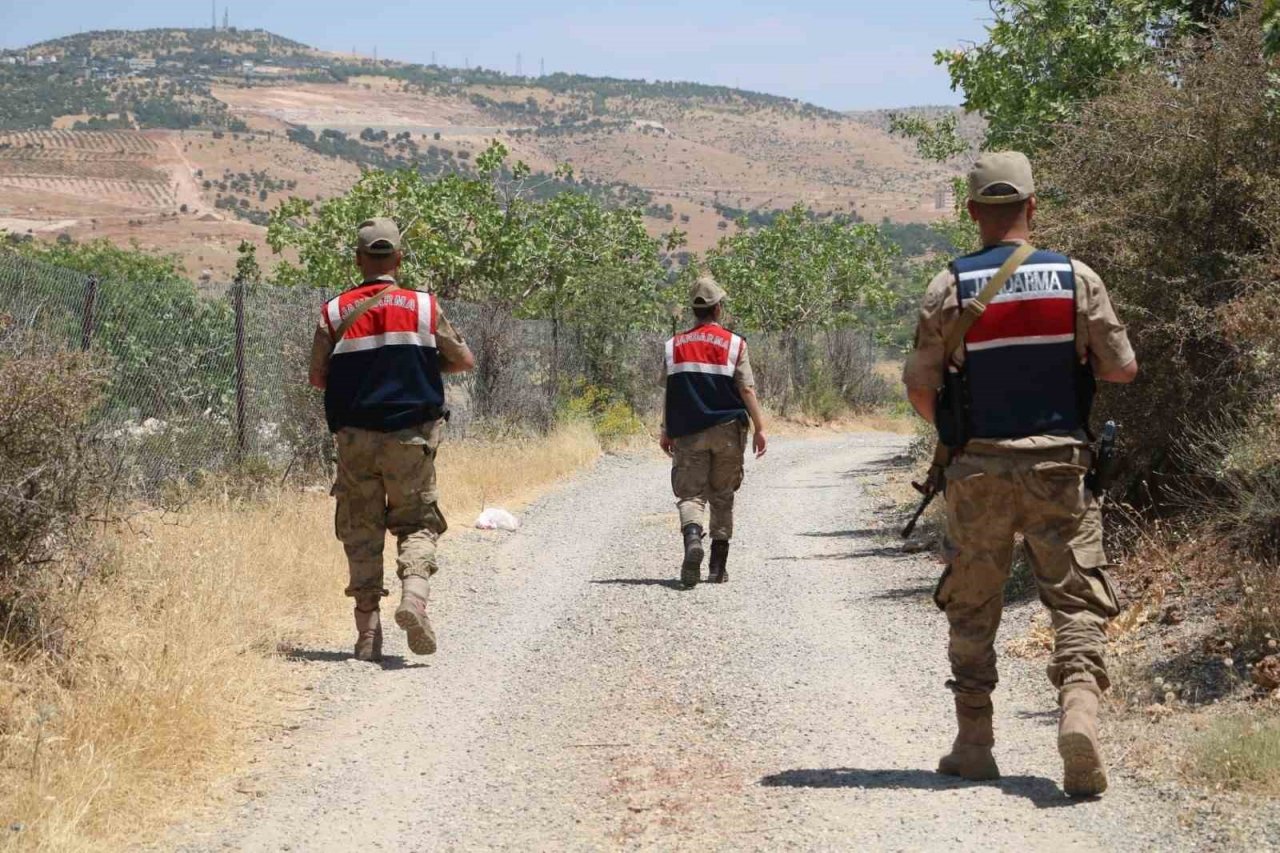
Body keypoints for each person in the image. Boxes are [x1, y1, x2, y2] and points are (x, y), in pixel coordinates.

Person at [902, 152, 1138, 797]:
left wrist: (954, 436)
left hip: (976, 469)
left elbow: (920, 384)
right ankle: (1080, 712)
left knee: (972, 603)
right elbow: (1121, 368)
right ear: (1033, 207)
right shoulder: (1076, 277)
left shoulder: (949, 286)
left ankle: (975, 743)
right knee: (1076, 596)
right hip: (1060, 465)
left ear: (973, 211)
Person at [309, 218, 475, 662]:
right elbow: (463, 360)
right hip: (411, 439)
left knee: (361, 532)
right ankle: (414, 598)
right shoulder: (423, 307)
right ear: (398, 259)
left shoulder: (334, 311)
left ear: (359, 260)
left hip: (355, 440)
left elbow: (316, 376)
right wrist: (416, 368)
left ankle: (367, 635)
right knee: (417, 522)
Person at [660, 276, 768, 588]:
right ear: (718, 308)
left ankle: (693, 539)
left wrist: (665, 430)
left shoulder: (673, 346)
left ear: (695, 310)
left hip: (688, 433)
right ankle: (717, 568)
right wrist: (760, 428)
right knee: (722, 495)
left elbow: (670, 393)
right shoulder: (736, 344)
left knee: (691, 494)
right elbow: (746, 389)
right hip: (728, 431)